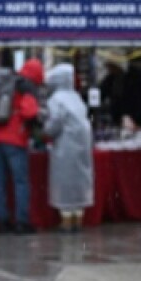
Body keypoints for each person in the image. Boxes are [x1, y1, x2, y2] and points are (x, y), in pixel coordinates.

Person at [0, 58, 44, 234]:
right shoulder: (27, 88)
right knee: (20, 182)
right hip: (14, 139)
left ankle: (2, 221)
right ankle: (21, 221)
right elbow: (30, 112)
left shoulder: (7, 81)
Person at [42, 62, 94, 233]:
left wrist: (43, 130)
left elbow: (53, 125)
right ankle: (77, 220)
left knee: (64, 185)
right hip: (82, 148)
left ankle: (66, 222)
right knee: (79, 185)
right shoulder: (76, 98)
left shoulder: (55, 100)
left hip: (64, 148)